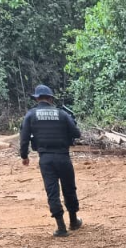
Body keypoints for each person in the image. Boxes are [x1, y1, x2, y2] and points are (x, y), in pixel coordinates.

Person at [20, 84, 82, 237]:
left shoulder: (31, 115)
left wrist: (24, 156)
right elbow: (76, 133)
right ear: (50, 99)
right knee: (69, 188)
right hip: (63, 157)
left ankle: (61, 227)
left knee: (52, 191)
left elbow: (24, 137)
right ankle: (73, 221)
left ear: (37, 99)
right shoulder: (62, 114)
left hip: (46, 158)